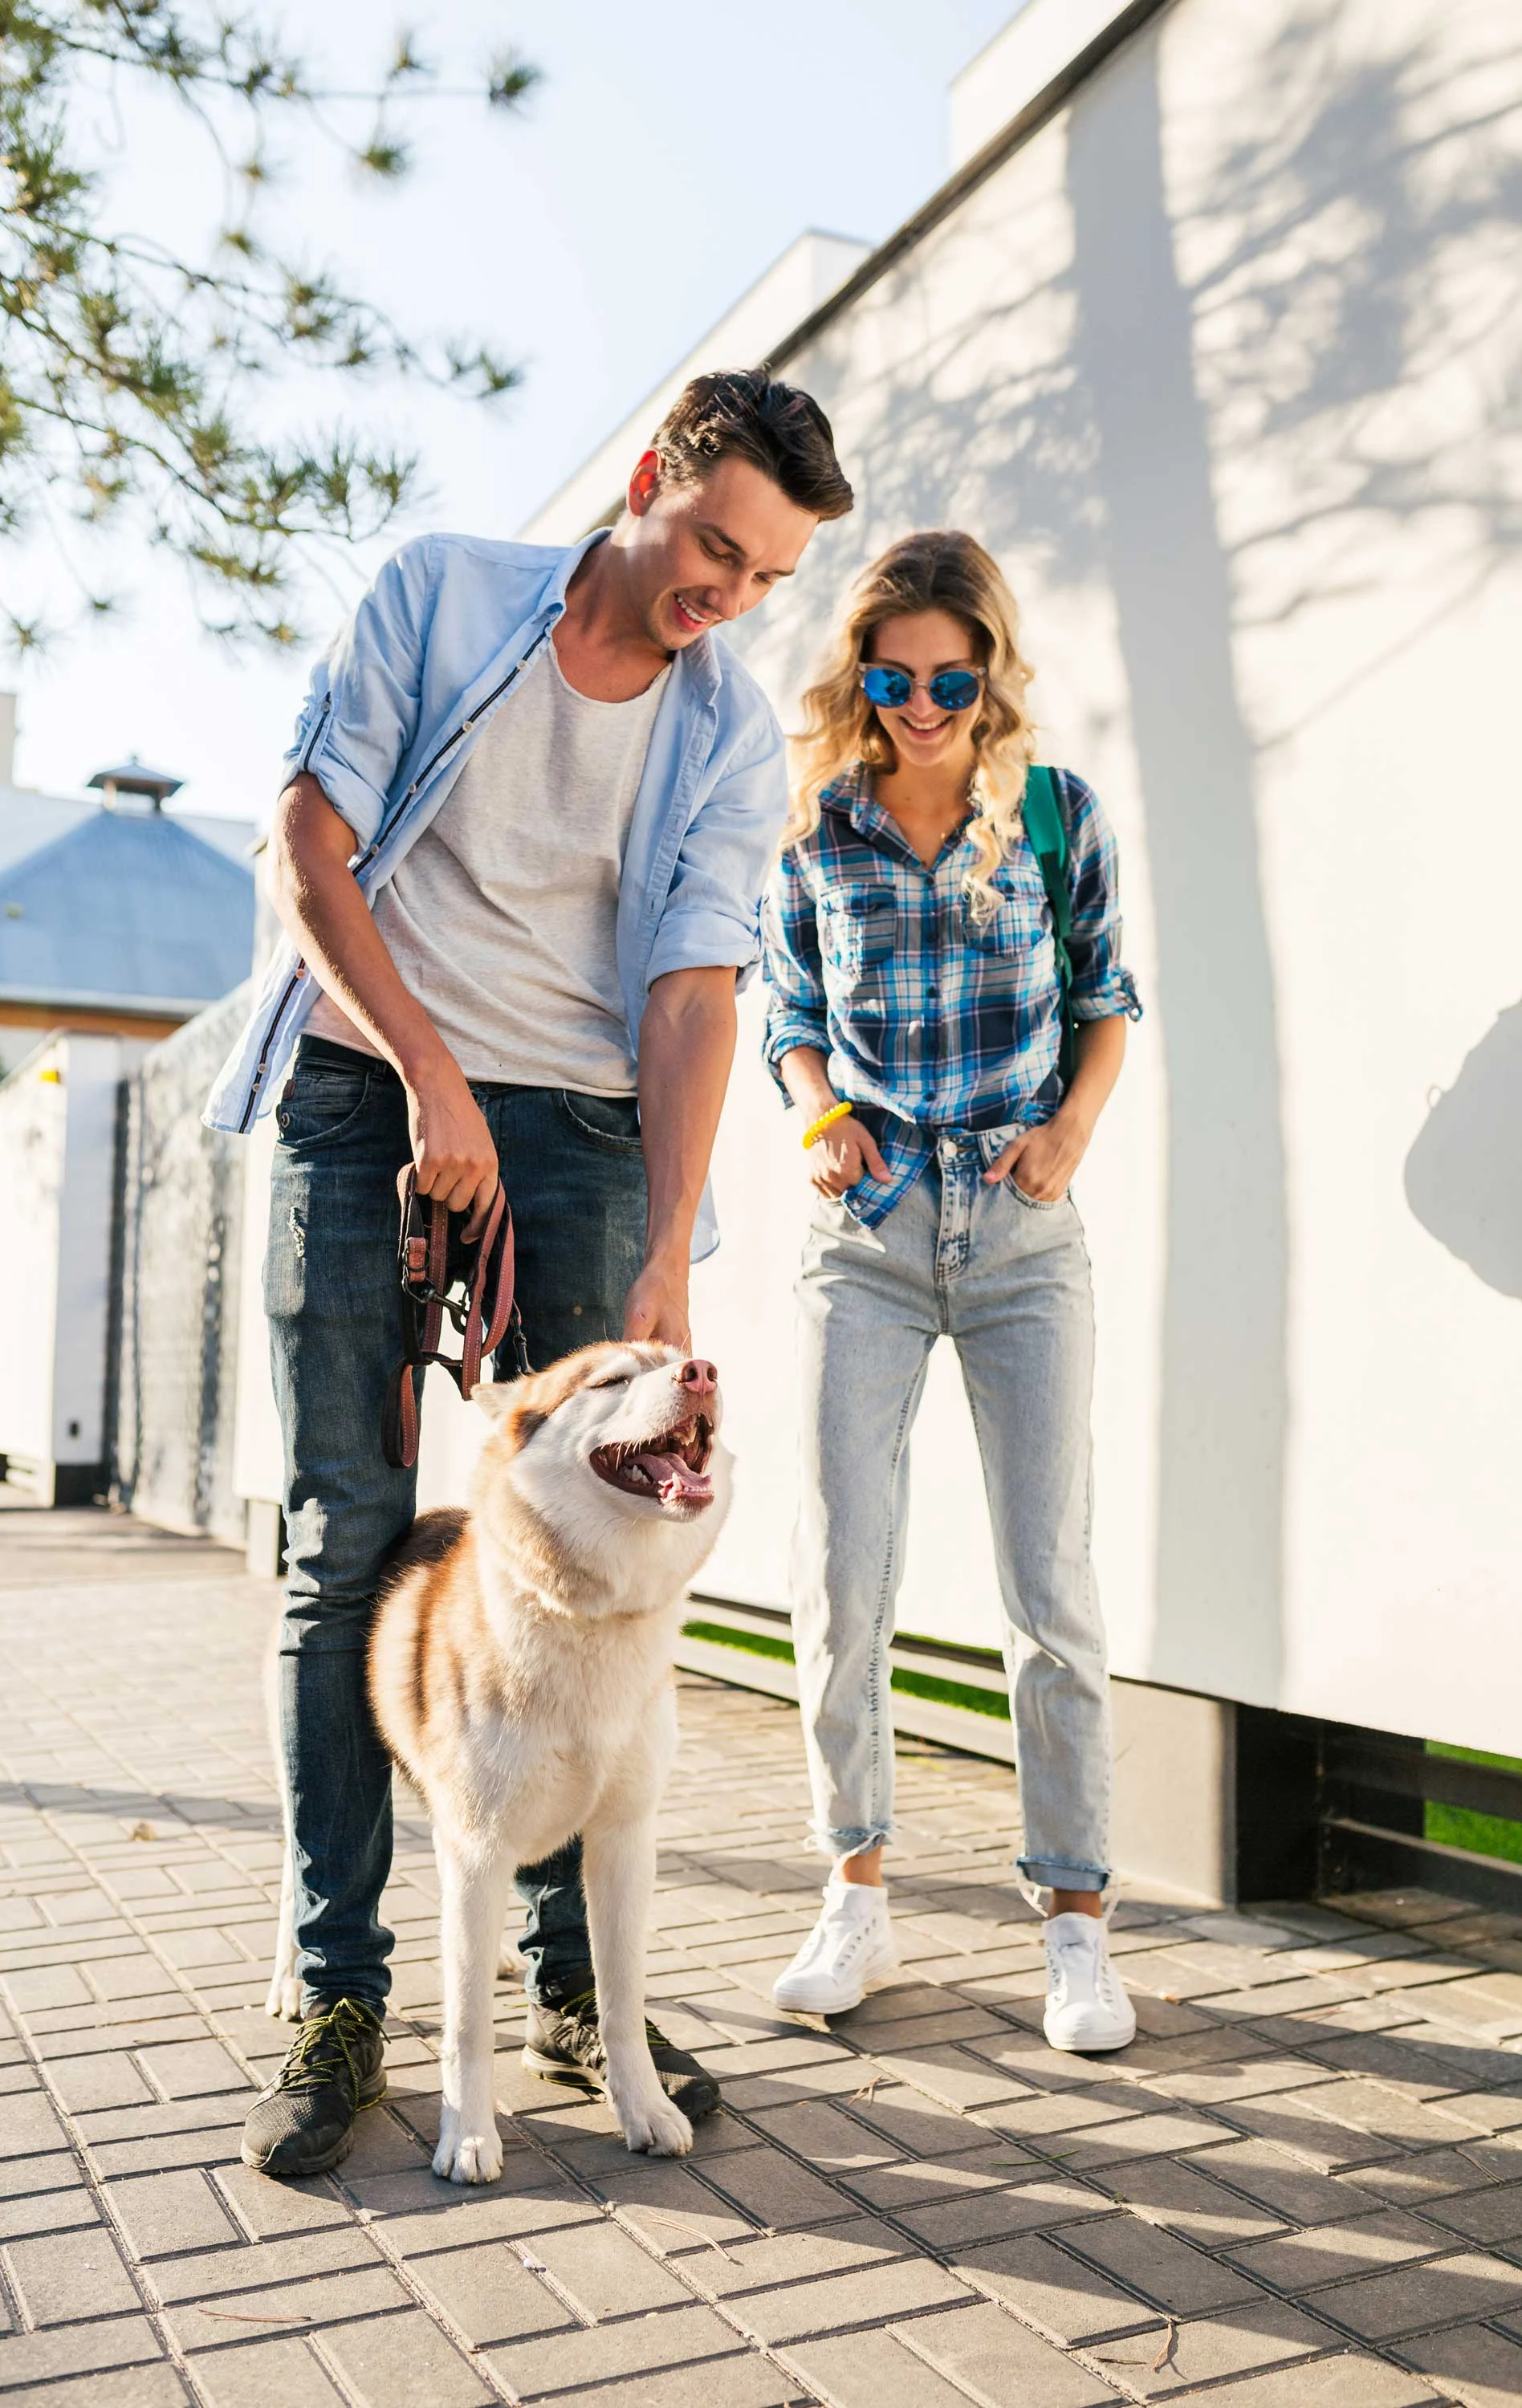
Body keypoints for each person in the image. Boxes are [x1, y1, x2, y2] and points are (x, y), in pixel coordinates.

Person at [204, 371, 854, 2177]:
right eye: (712, 546)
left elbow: (694, 983)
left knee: (596, 1553)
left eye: (763, 577)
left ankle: (580, 1997)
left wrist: (662, 1249)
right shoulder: (440, 594)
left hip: (573, 1127)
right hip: (362, 1079)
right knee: (346, 1532)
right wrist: (424, 1077)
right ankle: (339, 1993)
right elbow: (309, 849)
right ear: (653, 475)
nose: (720, 595)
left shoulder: (725, 724)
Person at [761, 529, 1142, 2052]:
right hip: (868, 1236)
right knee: (844, 1576)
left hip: (1024, 1237)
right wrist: (814, 1114)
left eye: (951, 675)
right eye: (893, 674)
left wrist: (1065, 1136)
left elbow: (1107, 996)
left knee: (1049, 1591)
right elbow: (788, 1005)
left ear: (992, 672)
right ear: (863, 674)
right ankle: (855, 1893)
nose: (922, 702)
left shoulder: (1053, 814)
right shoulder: (817, 829)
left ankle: (1076, 1928)